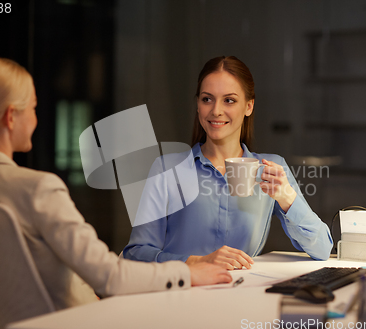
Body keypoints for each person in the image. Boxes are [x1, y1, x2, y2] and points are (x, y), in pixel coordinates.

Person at [0, 56, 231, 310]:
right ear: (11, 117)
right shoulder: (37, 190)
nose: (36, 118)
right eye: (34, 108)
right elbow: (110, 276)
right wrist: (189, 273)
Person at [123, 56, 333, 269]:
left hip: (242, 293)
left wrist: (287, 197)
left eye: (229, 100)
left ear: (249, 106)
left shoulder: (271, 168)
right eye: (207, 99)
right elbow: (136, 253)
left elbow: (323, 249)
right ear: (198, 105)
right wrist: (196, 262)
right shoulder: (167, 169)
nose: (216, 110)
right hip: (183, 294)